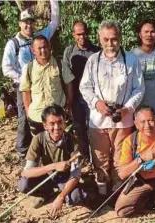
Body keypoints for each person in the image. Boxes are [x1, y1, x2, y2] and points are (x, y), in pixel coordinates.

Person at [79, 20, 145, 195]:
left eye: (114, 39)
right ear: (100, 40)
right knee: (100, 158)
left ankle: (117, 190)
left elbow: (139, 88)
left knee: (120, 156)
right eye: (106, 39)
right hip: (98, 118)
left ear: (120, 39)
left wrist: (128, 108)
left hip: (123, 118)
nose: (110, 44)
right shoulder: (93, 61)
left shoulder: (131, 60)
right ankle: (101, 192)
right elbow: (84, 87)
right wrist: (96, 103)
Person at [2, 0, 60, 156]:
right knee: (25, 117)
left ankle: (46, 147)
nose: (28, 25)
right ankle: (23, 151)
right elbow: (6, 68)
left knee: (45, 114)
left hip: (43, 82)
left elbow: (54, 23)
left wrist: (54, 2)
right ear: (20, 24)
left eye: (30, 22)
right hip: (24, 86)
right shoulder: (13, 44)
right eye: (25, 23)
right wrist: (24, 77)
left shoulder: (39, 38)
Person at [18, 104, 86, 217]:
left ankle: (59, 194)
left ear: (65, 122)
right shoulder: (38, 139)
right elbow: (26, 172)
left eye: (60, 122)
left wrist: (61, 197)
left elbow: (76, 175)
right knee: (23, 184)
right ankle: (47, 192)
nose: (57, 127)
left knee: (76, 198)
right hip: (47, 176)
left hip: (65, 178)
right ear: (45, 125)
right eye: (52, 124)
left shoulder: (73, 141)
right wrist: (53, 166)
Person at [19, 35, 74, 136]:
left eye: (45, 47)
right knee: (40, 146)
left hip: (57, 115)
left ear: (50, 47)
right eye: (39, 48)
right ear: (33, 50)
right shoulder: (28, 68)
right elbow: (26, 92)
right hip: (36, 116)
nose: (43, 50)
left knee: (60, 145)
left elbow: (69, 84)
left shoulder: (60, 64)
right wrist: (28, 113)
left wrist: (68, 105)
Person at [62, 21, 100, 159]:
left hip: (93, 98)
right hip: (76, 97)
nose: (82, 37)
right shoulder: (69, 52)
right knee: (79, 128)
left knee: (94, 129)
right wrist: (69, 100)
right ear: (73, 35)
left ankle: (95, 157)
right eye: (78, 34)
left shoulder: (96, 51)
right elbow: (68, 78)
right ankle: (85, 156)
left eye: (84, 33)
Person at [131, 20, 155, 119]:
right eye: (146, 31)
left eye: (152, 32)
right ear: (140, 34)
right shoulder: (131, 56)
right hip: (135, 111)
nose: (149, 35)